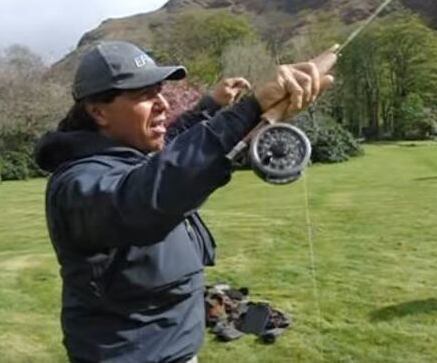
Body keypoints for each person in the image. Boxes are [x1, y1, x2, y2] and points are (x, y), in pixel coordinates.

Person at [35, 40, 336, 363]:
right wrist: (249, 110)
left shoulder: (130, 157)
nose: (163, 103)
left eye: (159, 91)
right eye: (144, 95)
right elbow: (152, 191)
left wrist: (213, 107)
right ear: (98, 112)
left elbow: (172, 146)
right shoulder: (78, 185)